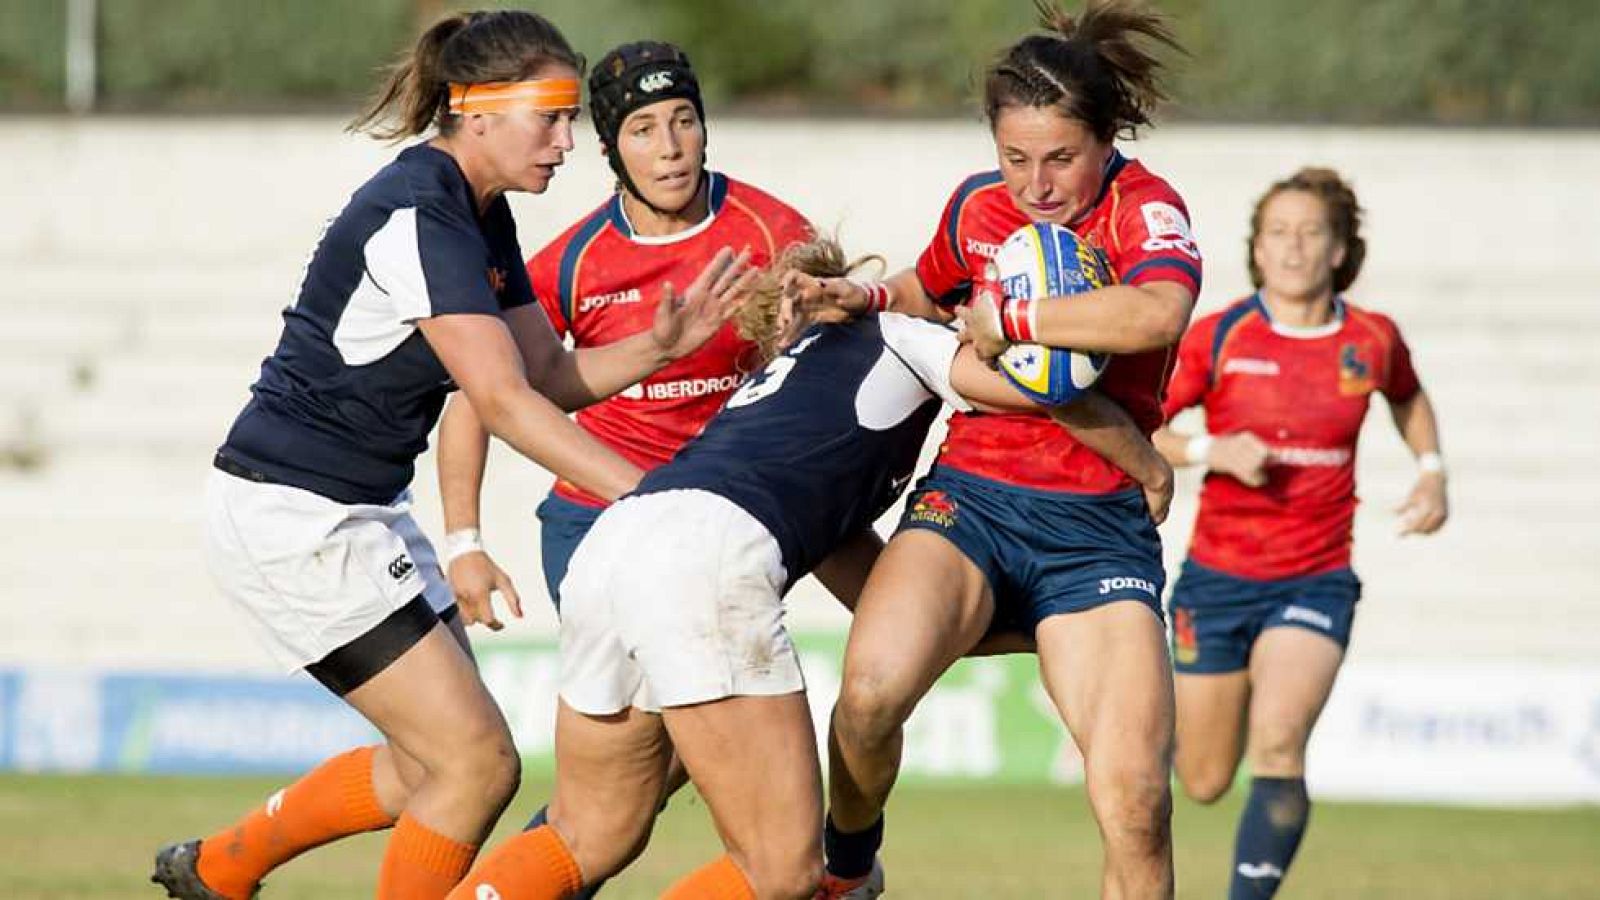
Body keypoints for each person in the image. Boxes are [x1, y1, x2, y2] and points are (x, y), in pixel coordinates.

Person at [149, 12, 753, 900]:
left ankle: (218, 869)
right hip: (294, 515)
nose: (566, 140)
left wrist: (656, 349)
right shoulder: (421, 214)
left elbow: (540, 372)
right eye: (548, 116)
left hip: (348, 511)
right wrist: (655, 497)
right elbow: (500, 403)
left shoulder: (478, 210)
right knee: (474, 766)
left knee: (425, 768)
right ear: (476, 111)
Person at [443, 237, 1174, 900]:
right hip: (704, 558)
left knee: (587, 831)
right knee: (784, 869)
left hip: (621, 538)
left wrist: (1038, 622)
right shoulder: (892, 334)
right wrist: (1133, 447)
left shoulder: (778, 407)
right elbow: (1043, 390)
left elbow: (893, 604)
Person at [788, 2, 1199, 897]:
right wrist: (854, 298)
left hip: (1096, 533)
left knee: (1135, 799)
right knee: (868, 697)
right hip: (971, 500)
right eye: (1015, 159)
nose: (1036, 185)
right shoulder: (976, 207)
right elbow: (927, 291)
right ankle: (849, 872)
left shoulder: (1146, 212)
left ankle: (1032, 625)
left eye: (1061, 159)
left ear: (1107, 137)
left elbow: (1155, 314)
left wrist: (1011, 319)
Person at [432, 39, 814, 900]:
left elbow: (825, 365)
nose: (671, 146)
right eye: (645, 129)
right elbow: (476, 399)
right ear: (611, 151)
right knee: (658, 794)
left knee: (623, 797)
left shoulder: (770, 232)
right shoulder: (572, 262)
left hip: (723, 529)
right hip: (598, 528)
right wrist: (462, 540)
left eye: (685, 121)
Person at [1152, 166, 1447, 899]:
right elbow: (1142, 427)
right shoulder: (1220, 336)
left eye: (1311, 232)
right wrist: (1208, 450)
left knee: (1280, 742)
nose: (1292, 247)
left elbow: (1407, 397)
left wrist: (1432, 470)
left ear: (1341, 250)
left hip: (1314, 577)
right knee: (1206, 778)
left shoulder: (1372, 339)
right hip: (1217, 577)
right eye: (1276, 232)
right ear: (1256, 248)